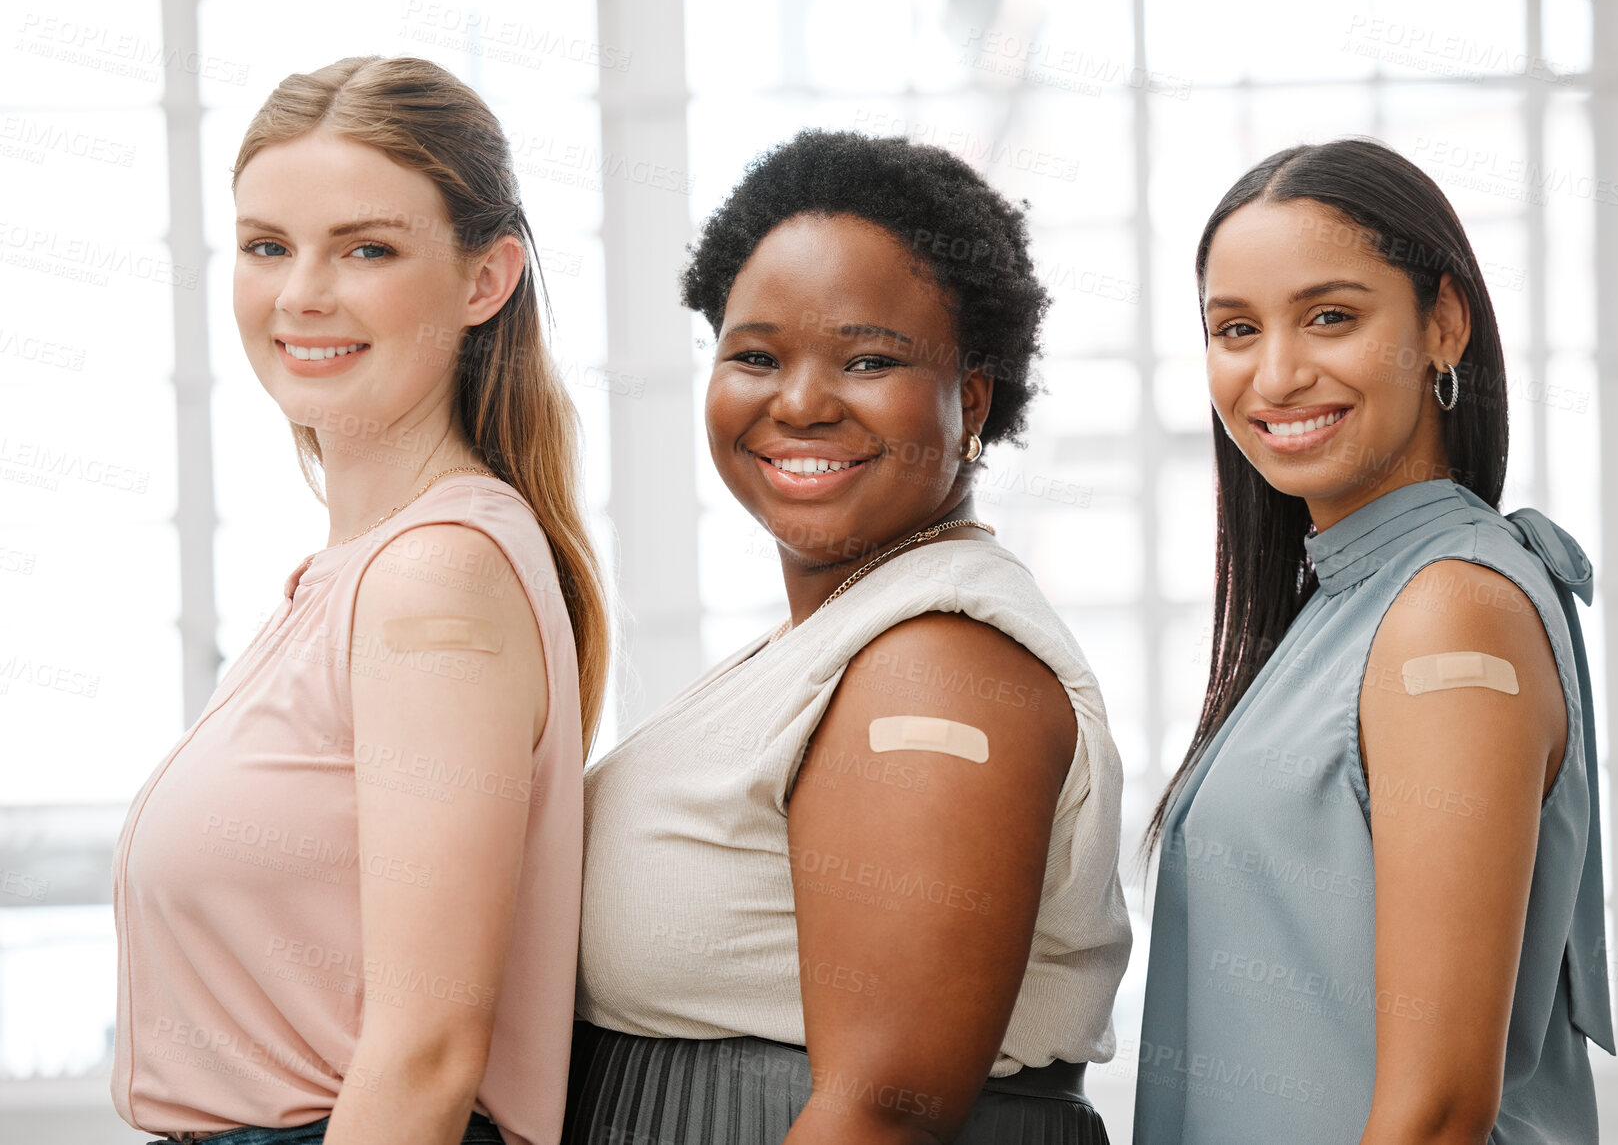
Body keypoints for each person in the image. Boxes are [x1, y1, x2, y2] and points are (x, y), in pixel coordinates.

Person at [568, 129, 1133, 1144]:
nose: (800, 401)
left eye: (869, 359)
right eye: (755, 355)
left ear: (973, 398)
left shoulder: (939, 666)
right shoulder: (830, 638)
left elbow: (886, 1111)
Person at [110, 56, 609, 1145]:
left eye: (367, 248)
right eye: (266, 247)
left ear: (487, 280)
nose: (300, 294)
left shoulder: (436, 576)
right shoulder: (362, 574)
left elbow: (425, 1056)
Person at [1132, 138, 1614, 1143]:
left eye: (1331, 317)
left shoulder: (1451, 608)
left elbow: (1437, 1109)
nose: (1276, 373)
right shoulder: (1344, 601)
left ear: (1443, 323)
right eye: (1234, 328)